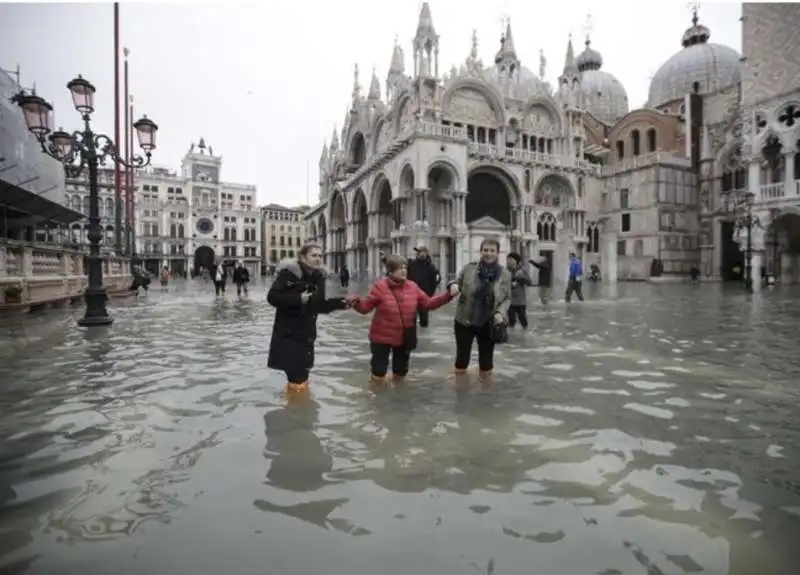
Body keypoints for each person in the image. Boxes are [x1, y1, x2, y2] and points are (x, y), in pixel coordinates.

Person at [351, 254, 456, 383]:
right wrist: (355, 302)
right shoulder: (379, 287)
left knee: (401, 373)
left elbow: (428, 304)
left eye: (405, 267)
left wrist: (448, 295)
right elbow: (365, 308)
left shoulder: (413, 287)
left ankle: (398, 399)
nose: (404, 270)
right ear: (390, 271)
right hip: (381, 338)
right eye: (399, 268)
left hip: (404, 337)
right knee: (378, 373)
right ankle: (378, 399)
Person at [267, 243, 352, 395]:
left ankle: (296, 409)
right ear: (302, 257)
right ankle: (296, 414)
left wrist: (342, 302)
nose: (318, 259)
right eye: (314, 255)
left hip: (307, 335)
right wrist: (298, 299)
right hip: (288, 335)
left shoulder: (319, 277)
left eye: (320, 256)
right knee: (297, 379)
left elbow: (318, 306)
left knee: (302, 377)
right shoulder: (288, 274)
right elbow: (272, 297)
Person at [452, 237, 511, 376]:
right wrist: (453, 286)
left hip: (488, 322)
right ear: (481, 251)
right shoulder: (469, 268)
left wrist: (500, 313)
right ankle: (461, 390)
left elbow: (507, 298)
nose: (488, 253)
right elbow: (456, 283)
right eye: (485, 250)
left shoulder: (504, 274)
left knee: (486, 362)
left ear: (497, 253)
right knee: (462, 359)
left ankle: (486, 394)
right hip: (464, 320)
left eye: (492, 250)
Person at [406, 245, 440, 328]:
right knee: (411, 319)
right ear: (418, 253)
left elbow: (435, 281)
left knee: (424, 320)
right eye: (421, 252)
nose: (422, 254)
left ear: (427, 254)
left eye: (424, 252)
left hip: (425, 296)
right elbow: (406, 278)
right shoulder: (412, 264)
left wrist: (430, 295)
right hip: (412, 296)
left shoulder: (431, 266)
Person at [506, 252, 532, 329]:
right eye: (508, 259)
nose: (509, 261)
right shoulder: (505, 270)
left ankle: (524, 335)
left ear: (516, 260)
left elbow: (530, 283)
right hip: (509, 301)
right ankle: (512, 338)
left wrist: (520, 277)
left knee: (523, 320)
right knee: (511, 321)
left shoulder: (522, 270)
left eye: (511, 259)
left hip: (520, 301)